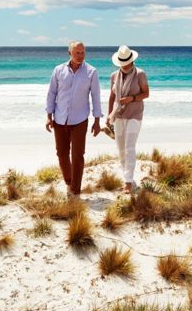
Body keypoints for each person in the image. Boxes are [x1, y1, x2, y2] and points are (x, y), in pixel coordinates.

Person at [45, 41, 102, 196]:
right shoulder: (58, 70)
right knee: (61, 154)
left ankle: (75, 190)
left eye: (83, 52)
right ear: (69, 53)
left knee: (77, 155)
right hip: (60, 119)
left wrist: (97, 121)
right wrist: (49, 116)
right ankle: (69, 182)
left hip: (80, 120)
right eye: (77, 52)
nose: (80, 56)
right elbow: (52, 94)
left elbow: (96, 96)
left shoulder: (91, 72)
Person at [106, 45, 149, 193]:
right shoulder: (114, 76)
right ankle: (128, 178)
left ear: (131, 60)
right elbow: (112, 97)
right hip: (118, 115)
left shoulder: (140, 74)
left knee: (129, 148)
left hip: (135, 115)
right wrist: (109, 114)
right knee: (121, 149)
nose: (124, 65)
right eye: (122, 62)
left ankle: (128, 182)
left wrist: (131, 99)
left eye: (126, 62)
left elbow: (146, 94)